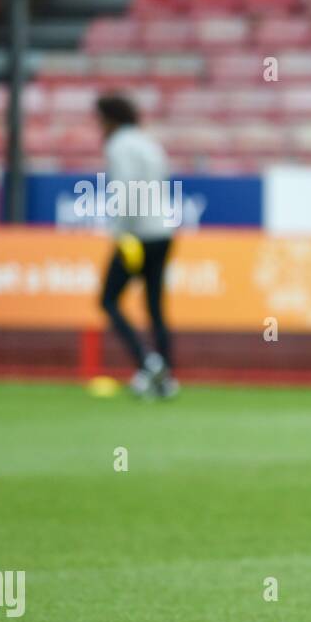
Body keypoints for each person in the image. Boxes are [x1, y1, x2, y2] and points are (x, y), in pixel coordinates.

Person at [94, 93, 179, 399]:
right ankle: (166, 377)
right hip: (163, 231)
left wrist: (120, 231)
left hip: (137, 235)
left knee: (108, 299)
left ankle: (148, 361)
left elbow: (128, 190)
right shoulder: (148, 141)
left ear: (109, 119)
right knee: (155, 306)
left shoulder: (119, 145)